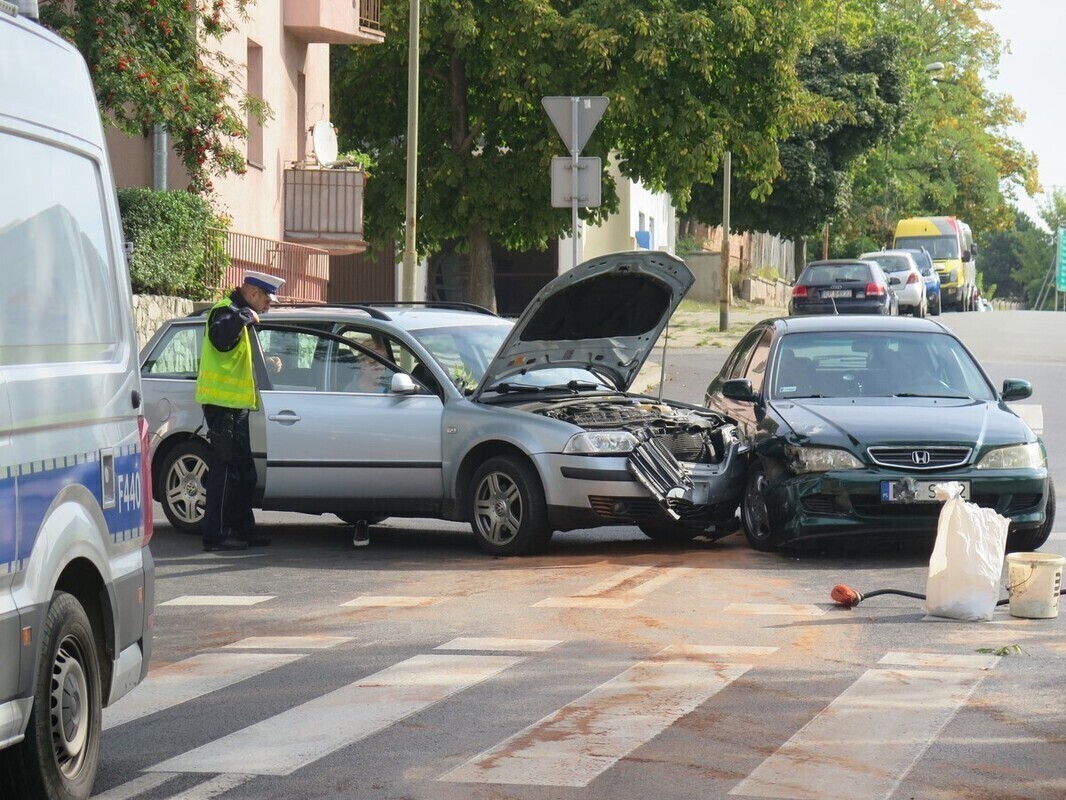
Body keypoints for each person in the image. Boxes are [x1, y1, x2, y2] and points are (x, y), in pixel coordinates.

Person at [195, 270, 285, 552]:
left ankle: (242, 529)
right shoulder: (225, 310)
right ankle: (216, 535)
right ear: (254, 294)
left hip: (237, 406)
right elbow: (220, 337)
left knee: (244, 472)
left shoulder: (238, 313)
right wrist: (244, 316)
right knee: (224, 472)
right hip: (222, 406)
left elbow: (233, 354)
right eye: (268, 300)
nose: (269, 306)